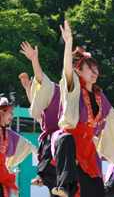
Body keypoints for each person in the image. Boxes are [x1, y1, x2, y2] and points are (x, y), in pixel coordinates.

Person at [50, 20, 114, 197]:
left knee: (96, 192)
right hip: (69, 141)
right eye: (90, 67)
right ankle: (62, 186)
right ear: (79, 71)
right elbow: (67, 70)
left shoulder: (99, 96)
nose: (95, 71)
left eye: (96, 67)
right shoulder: (74, 88)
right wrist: (68, 43)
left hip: (88, 148)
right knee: (66, 146)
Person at [19, 41, 61, 196]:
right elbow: (36, 108)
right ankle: (41, 174)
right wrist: (28, 88)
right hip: (53, 143)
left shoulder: (78, 96)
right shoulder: (56, 91)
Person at [0, 97, 37, 197]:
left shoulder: (8, 133)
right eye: (10, 112)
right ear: (2, 112)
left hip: (2, 170)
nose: (12, 116)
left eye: (13, 113)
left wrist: (35, 150)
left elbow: (24, 143)